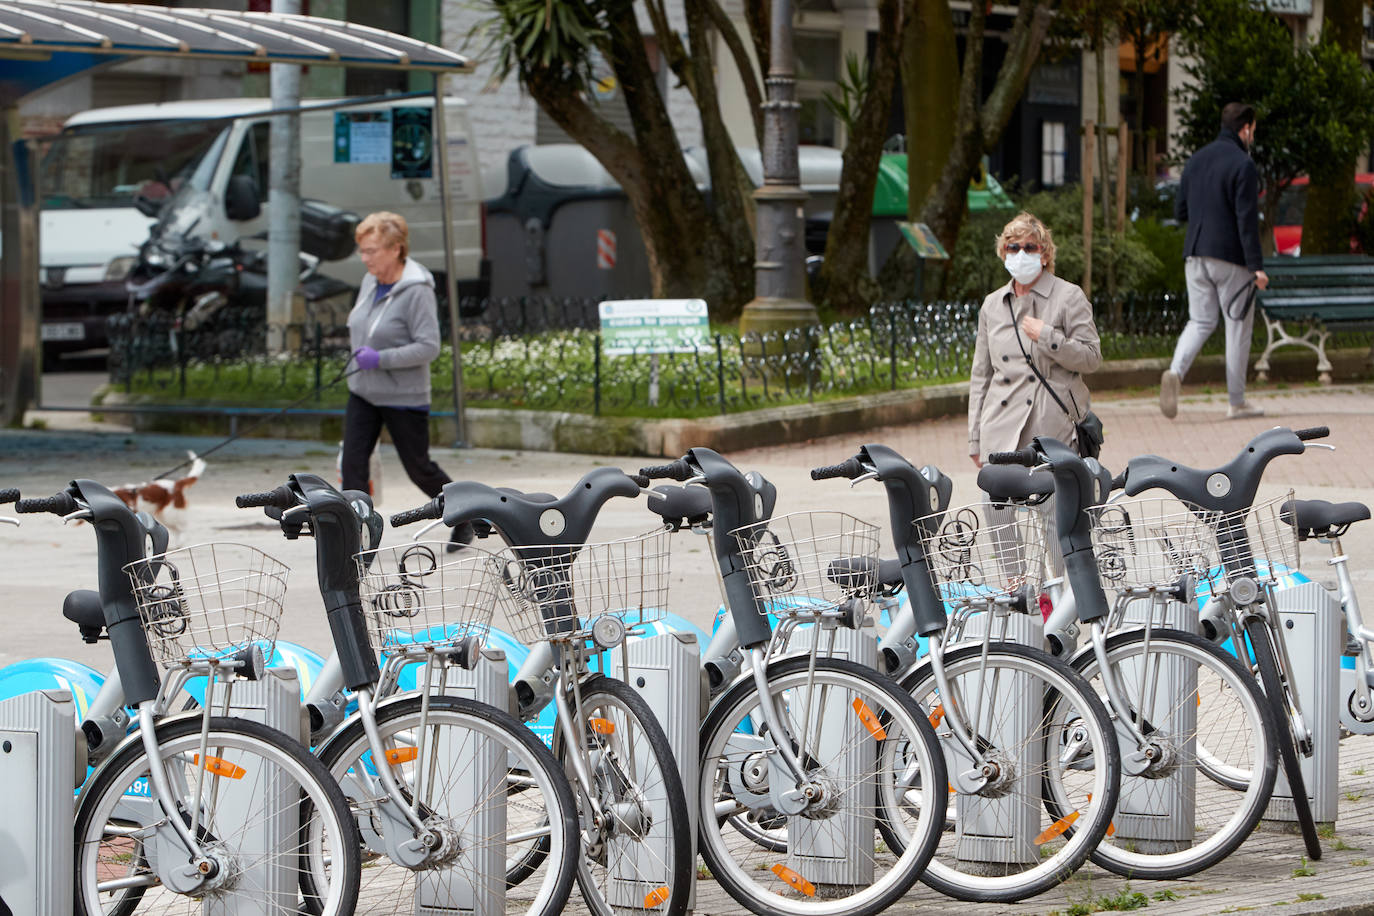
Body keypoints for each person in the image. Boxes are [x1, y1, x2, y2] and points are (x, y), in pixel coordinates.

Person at [342, 211, 472, 550]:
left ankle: (466, 514)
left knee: (419, 469)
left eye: (371, 250)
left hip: (403, 395)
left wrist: (380, 359)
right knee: (352, 465)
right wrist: (359, 356)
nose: (364, 258)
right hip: (364, 391)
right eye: (362, 250)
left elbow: (428, 347)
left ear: (396, 249)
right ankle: (357, 535)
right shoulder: (370, 280)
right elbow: (363, 325)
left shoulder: (418, 291)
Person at [1160, 102, 1269, 420]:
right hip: (1230, 258)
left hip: (1194, 252)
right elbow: (1246, 220)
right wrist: (1257, 267)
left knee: (1201, 321)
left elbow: (1180, 212)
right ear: (1245, 128)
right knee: (1237, 326)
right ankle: (1237, 403)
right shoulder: (1243, 164)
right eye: (1253, 130)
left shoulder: (1195, 160)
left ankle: (1175, 372)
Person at [968, 211, 1102, 468]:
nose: (1021, 254)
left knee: (1051, 506)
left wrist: (1048, 337)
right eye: (1013, 247)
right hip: (1001, 427)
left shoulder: (1069, 296)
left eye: (1030, 247)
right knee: (997, 507)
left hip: (1052, 428)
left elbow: (1091, 358)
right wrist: (975, 439)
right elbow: (981, 376)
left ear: (1045, 254)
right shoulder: (992, 305)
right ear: (1003, 253)